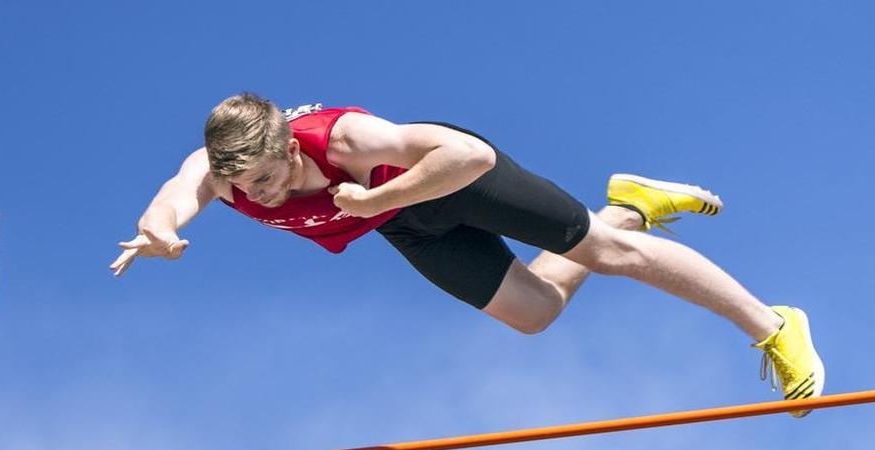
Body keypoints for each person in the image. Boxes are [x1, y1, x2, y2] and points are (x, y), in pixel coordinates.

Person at [110, 94, 825, 416]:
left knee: (609, 255)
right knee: (534, 313)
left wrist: (379, 199)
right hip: (402, 223)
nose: (257, 197)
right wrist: (159, 232)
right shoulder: (222, 172)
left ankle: (774, 324)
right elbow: (172, 196)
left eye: (266, 180)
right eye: (240, 186)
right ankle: (633, 203)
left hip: (449, 182)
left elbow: (470, 154)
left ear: (290, 148)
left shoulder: (347, 140)